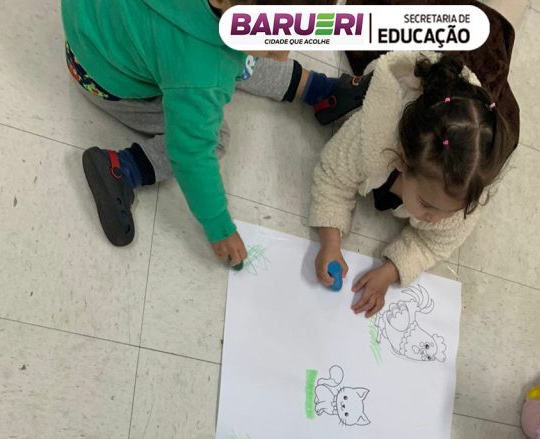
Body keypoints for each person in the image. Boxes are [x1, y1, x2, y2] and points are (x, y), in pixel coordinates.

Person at [63, 0, 367, 261]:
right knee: (216, 136)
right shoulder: (202, 73)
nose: (284, 53)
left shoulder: (233, 14)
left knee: (243, 51)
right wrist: (219, 227)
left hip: (92, 18)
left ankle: (316, 89)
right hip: (100, 76)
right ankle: (124, 168)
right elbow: (191, 154)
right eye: (274, 36)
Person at [309, 47, 518, 317]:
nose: (435, 219)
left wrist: (391, 271)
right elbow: (333, 177)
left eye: (449, 210)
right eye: (427, 204)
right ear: (402, 159)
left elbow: (431, 245)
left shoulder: (466, 198)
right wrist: (330, 241)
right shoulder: (370, 139)